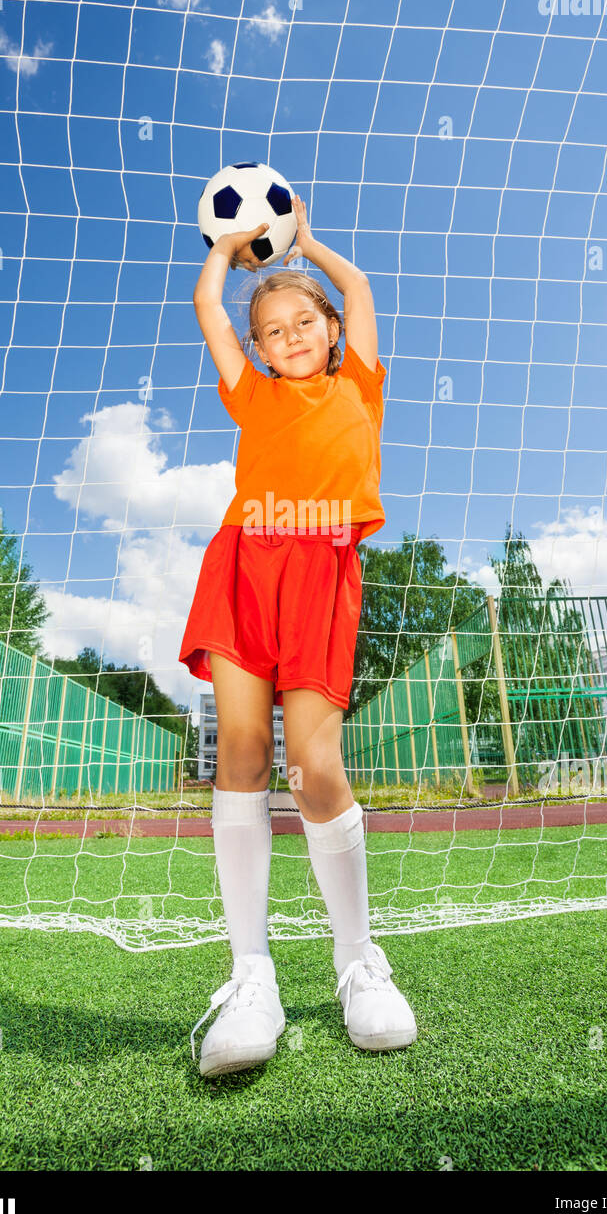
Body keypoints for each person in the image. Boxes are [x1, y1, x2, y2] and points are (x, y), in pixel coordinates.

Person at [179, 194, 417, 1077]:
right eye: (270, 330)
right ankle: (252, 977)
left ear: (327, 325)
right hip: (245, 563)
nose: (287, 337)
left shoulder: (358, 381)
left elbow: (359, 289)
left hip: (321, 572)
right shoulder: (251, 394)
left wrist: (308, 243)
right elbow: (211, 307)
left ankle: (359, 964)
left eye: (301, 321)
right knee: (240, 754)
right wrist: (230, 250)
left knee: (315, 768)